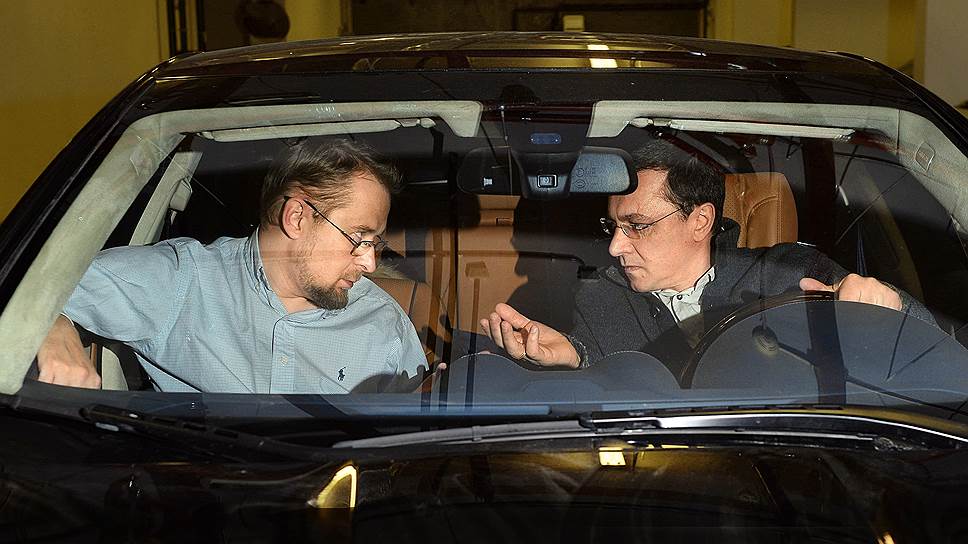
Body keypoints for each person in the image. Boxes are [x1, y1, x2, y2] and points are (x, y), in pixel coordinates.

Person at [481, 139, 935, 378]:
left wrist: (891, 307)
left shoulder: (790, 274)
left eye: (637, 225)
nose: (615, 247)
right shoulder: (597, 298)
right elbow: (594, 385)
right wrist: (570, 358)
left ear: (699, 221)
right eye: (613, 226)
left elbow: (935, 353)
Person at [36, 139, 428, 393]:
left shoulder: (383, 322)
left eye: (375, 243)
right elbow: (32, 284)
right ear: (296, 218)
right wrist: (52, 328)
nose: (370, 262)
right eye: (358, 237)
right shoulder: (183, 281)